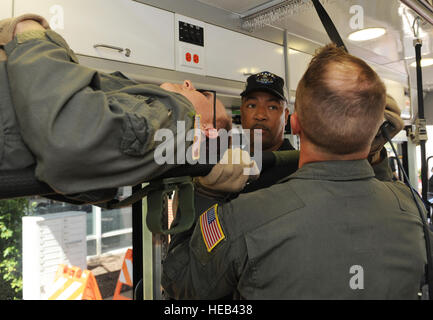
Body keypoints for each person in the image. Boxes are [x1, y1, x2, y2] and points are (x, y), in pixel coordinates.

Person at [162, 43, 429, 299]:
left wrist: (207, 194)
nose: (261, 114)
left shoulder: (243, 217)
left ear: (294, 121)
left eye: (272, 106)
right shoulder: (412, 207)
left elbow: (180, 281)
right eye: (252, 105)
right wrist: (374, 152)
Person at [0, 15, 236, 201]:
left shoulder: (178, 120)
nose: (189, 84)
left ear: (208, 129)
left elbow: (69, 135)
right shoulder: (153, 113)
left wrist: (31, 35)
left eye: (203, 95)